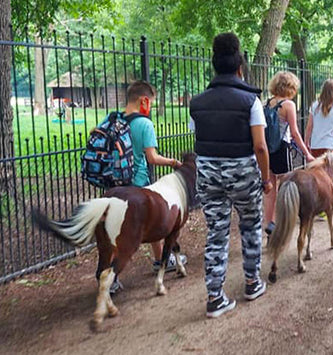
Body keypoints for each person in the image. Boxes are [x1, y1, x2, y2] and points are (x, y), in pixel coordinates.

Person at [189, 33, 273, 318]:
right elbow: (260, 145)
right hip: (243, 173)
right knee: (250, 227)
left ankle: (214, 298)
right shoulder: (251, 101)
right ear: (240, 66)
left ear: (214, 65)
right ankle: (252, 283)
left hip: (208, 174)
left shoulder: (196, 103)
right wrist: (265, 179)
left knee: (217, 232)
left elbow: (198, 135)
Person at [110, 80, 187, 293]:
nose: (150, 107)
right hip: (138, 183)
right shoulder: (144, 124)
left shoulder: (114, 120)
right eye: (151, 103)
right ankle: (113, 277)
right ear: (144, 101)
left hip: (116, 181)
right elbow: (152, 157)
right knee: (145, 225)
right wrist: (173, 163)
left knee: (116, 228)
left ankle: (159, 259)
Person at [264, 71, 315, 236]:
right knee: (287, 187)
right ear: (291, 87)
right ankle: (283, 224)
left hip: (267, 150)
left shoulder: (267, 103)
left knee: (270, 189)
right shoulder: (288, 105)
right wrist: (306, 153)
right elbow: (294, 132)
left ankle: (269, 223)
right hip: (282, 149)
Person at [304, 79, 333, 157]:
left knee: (316, 168)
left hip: (315, 145)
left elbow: (309, 127)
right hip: (330, 145)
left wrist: (306, 142)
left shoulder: (314, 106)